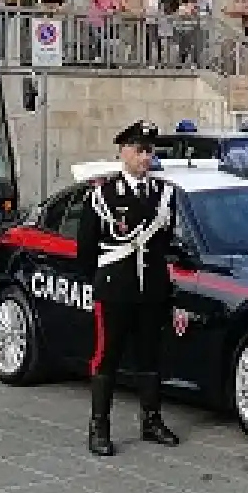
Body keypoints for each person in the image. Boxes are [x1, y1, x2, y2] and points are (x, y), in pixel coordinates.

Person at [76, 122, 182, 456]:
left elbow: (166, 244)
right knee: (106, 358)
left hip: (150, 290)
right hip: (115, 290)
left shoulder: (165, 194)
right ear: (122, 152)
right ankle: (99, 427)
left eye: (149, 150)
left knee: (150, 357)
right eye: (138, 149)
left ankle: (151, 420)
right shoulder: (102, 196)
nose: (144, 156)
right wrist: (100, 284)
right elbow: (86, 249)